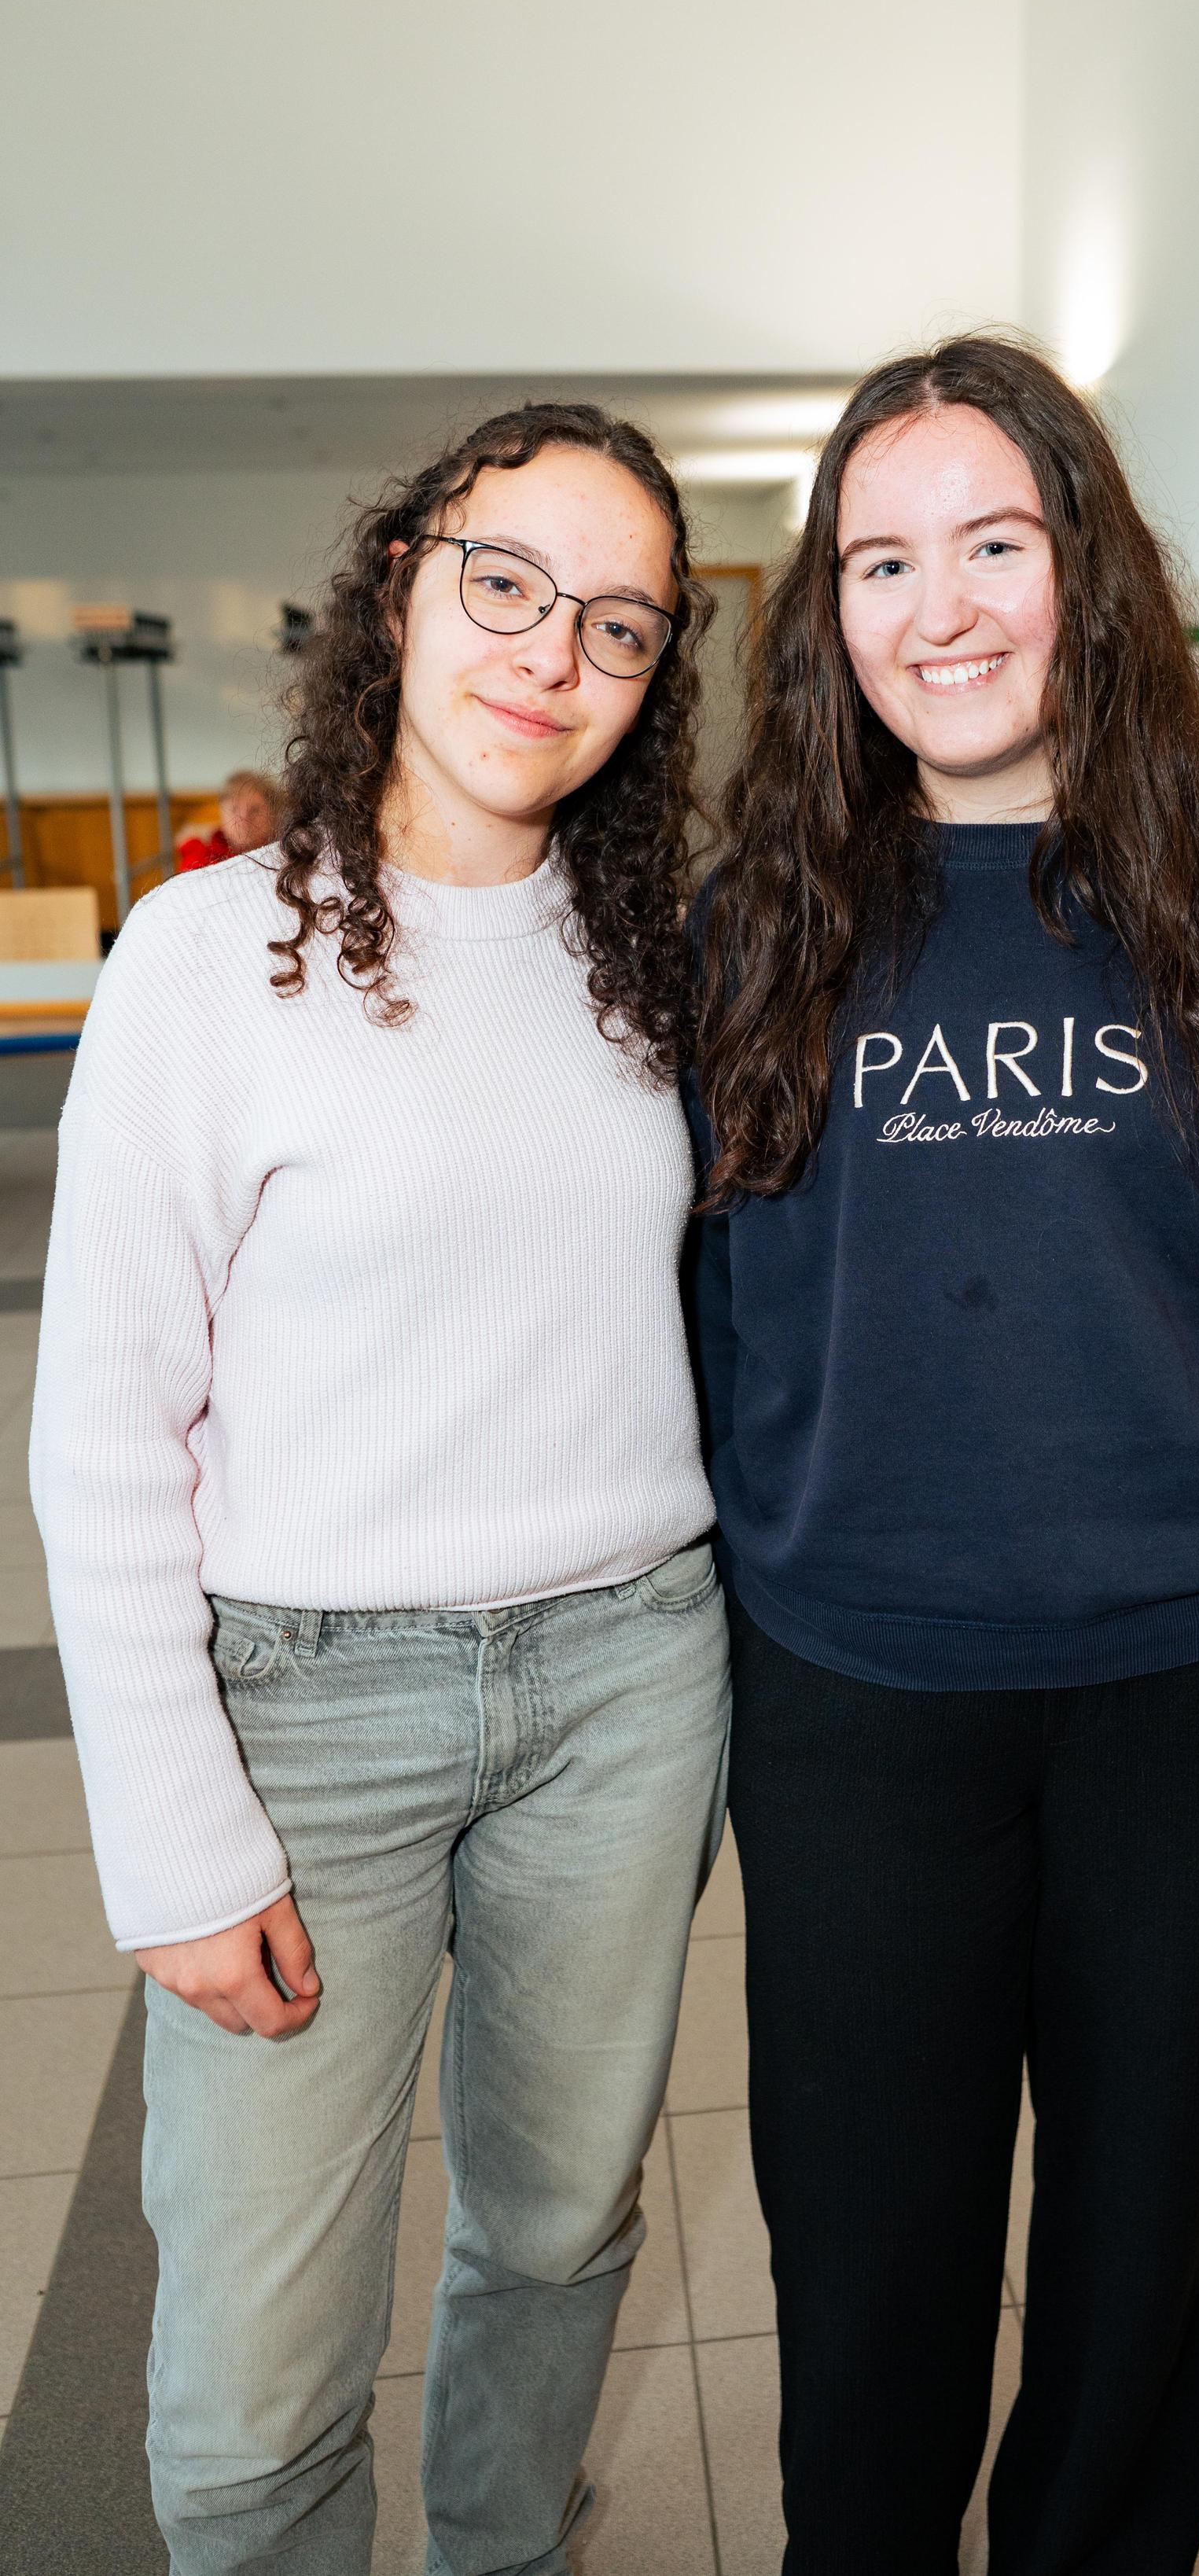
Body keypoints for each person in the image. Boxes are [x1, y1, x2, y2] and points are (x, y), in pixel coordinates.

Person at [685, 335, 1199, 2575]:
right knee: (871, 2269)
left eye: (993, 544)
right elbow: (696, 1337)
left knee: (1138, 2260)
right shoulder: (754, 924)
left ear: (1090, 571)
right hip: (859, 1705)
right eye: (881, 560)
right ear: (827, 610)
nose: (939, 608)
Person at [31, 402, 728, 2576]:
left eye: (618, 622)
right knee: (255, 2372)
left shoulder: (652, 959)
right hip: (309, 1706)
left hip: (631, 1681)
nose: (551, 652)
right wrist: (172, 1831)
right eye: (507, 583)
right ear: (405, 586)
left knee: (557, 2223)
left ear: (653, 673)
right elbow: (102, 1429)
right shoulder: (208, 953)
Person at [177, 765, 283, 869]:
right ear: (222, 813)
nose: (244, 818)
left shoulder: (284, 854)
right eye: (234, 809)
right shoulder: (200, 860)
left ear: (272, 814)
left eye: (255, 810)